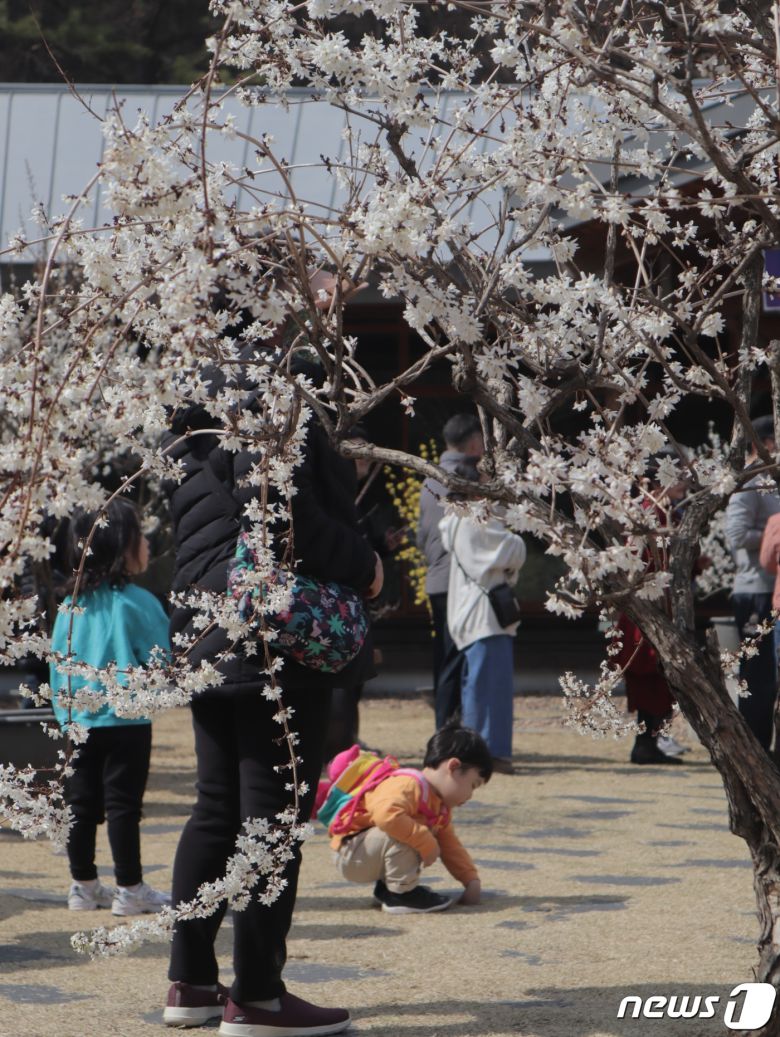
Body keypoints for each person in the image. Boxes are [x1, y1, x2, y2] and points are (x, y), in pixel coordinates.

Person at [162, 279, 381, 1036]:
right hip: (270, 636)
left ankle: (189, 981)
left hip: (205, 627)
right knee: (271, 817)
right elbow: (291, 523)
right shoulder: (270, 399)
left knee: (217, 807)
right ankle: (257, 994)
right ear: (273, 313)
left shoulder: (190, 414)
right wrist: (368, 563)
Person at [49, 498, 172, 915]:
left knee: (80, 806)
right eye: (141, 536)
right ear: (123, 547)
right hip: (127, 719)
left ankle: (82, 885)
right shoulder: (139, 603)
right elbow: (161, 661)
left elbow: (57, 666)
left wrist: (63, 716)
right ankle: (130, 889)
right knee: (123, 806)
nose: (149, 545)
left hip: (79, 719)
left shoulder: (68, 606)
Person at [330, 723, 491, 913]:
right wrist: (425, 840)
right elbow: (386, 816)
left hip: (367, 851)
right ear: (454, 767)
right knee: (411, 829)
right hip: (352, 853)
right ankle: (402, 895)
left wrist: (470, 879)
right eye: (473, 784)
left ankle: (388, 890)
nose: (470, 795)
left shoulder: (439, 807)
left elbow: (450, 846)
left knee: (419, 831)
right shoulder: (407, 784)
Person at [438, 467, 526, 774]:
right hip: (483, 616)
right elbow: (512, 550)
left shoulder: (458, 521)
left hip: (474, 612)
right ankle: (487, 752)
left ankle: (482, 751)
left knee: (479, 685)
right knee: (489, 687)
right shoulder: (474, 520)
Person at [416, 414, 484, 729]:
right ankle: (449, 732)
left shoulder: (430, 478)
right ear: (473, 443)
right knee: (458, 661)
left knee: (445, 658)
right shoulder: (465, 476)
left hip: (436, 579)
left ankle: (446, 728)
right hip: (459, 580)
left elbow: (420, 537)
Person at [725, 415, 780, 751]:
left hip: (774, 589)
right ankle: (754, 750)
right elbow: (737, 534)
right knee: (757, 679)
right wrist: (774, 536)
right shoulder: (749, 482)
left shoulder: (772, 481)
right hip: (754, 591)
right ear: (765, 443)